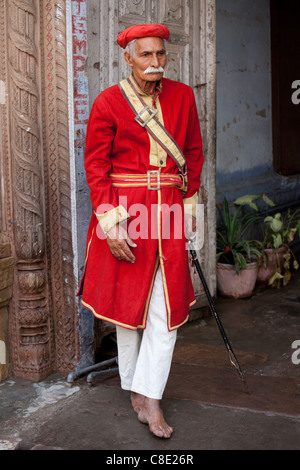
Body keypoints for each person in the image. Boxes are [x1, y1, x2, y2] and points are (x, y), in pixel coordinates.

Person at [77, 24, 204, 439]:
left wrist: (188, 208)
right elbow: (96, 167)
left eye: (161, 55)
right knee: (128, 309)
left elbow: (193, 153)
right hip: (126, 212)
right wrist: (111, 224)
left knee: (166, 313)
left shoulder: (184, 96)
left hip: (167, 211)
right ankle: (135, 388)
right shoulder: (109, 102)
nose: (156, 63)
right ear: (127, 58)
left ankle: (151, 396)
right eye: (146, 55)